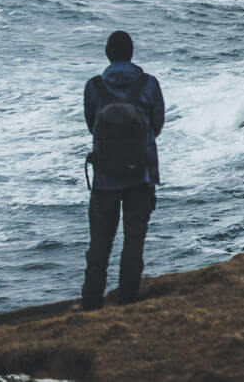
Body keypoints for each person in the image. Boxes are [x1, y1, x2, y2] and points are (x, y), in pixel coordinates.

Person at [80, 29, 165, 310]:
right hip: (140, 176)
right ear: (131, 54)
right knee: (133, 242)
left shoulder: (94, 87)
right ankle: (128, 300)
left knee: (99, 246)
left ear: (108, 54)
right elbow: (158, 124)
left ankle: (91, 302)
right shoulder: (149, 84)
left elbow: (92, 125)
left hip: (105, 178)